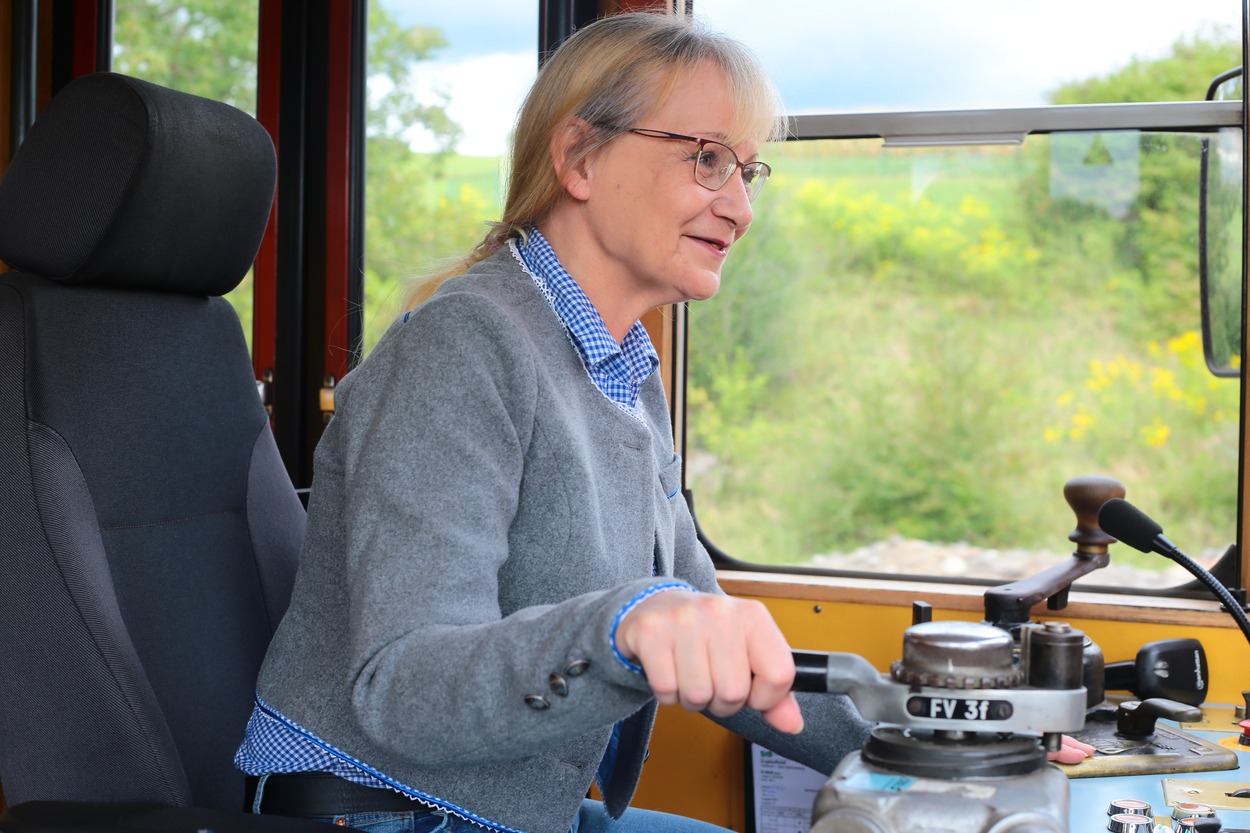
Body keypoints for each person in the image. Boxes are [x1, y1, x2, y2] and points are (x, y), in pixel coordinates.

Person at [234, 11, 1080, 833]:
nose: (741, 209)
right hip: (385, 807)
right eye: (708, 159)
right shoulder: (464, 347)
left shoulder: (624, 368)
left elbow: (727, 649)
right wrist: (627, 624)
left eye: (749, 172)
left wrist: (952, 749)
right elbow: (401, 686)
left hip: (520, 809)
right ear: (579, 158)